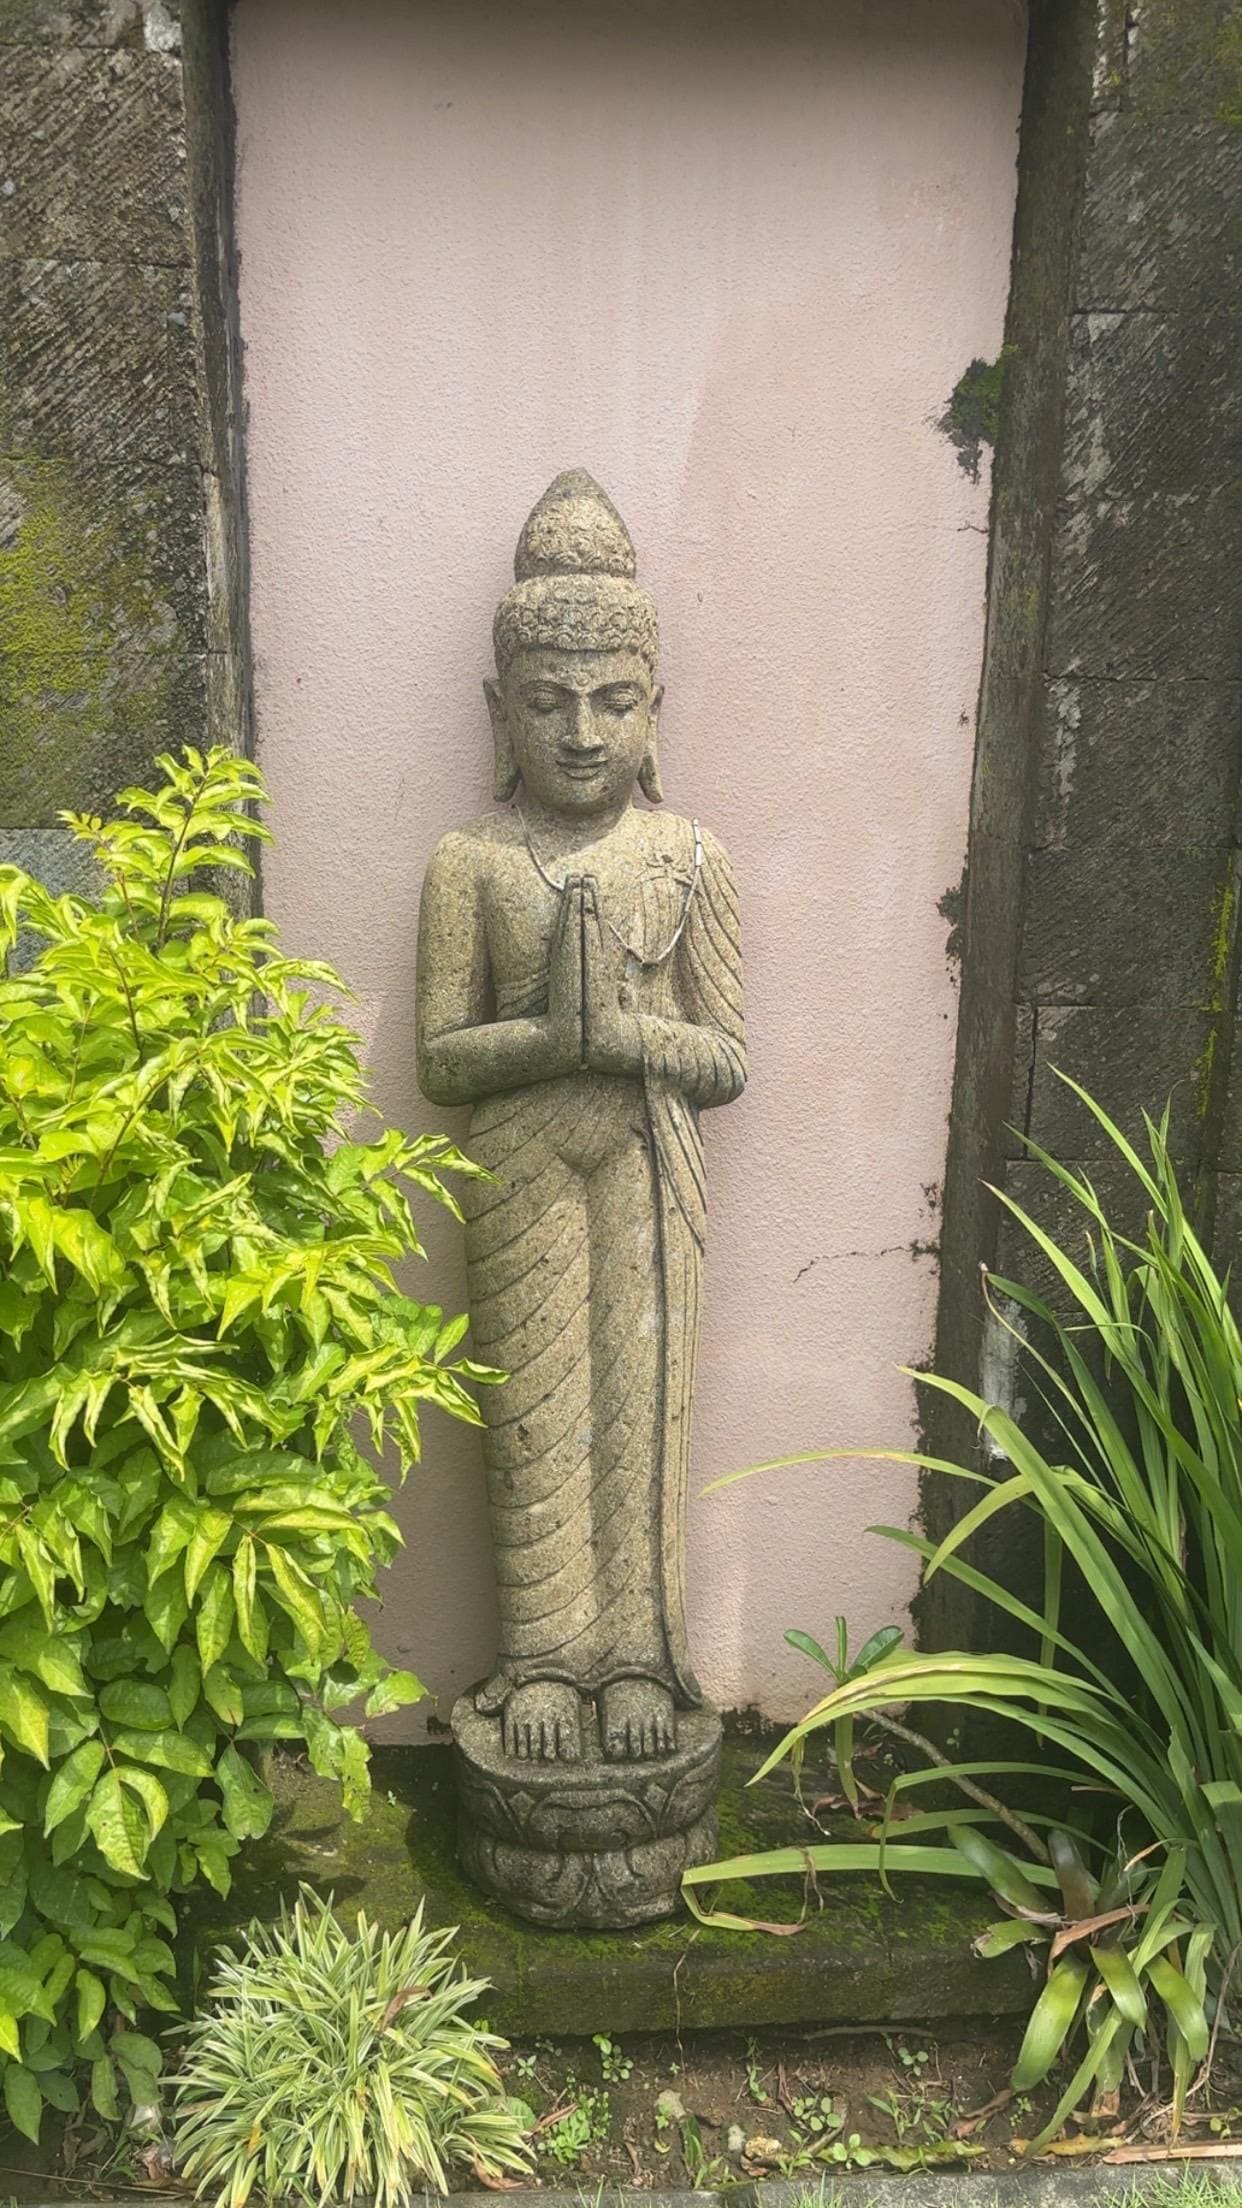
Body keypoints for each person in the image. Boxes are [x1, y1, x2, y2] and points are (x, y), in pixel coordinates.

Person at [416, 470, 746, 1770]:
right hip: (516, 1164)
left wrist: (622, 1038)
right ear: (499, 711)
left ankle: (635, 1661)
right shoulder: (471, 862)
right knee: (536, 1413)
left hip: (651, 1162)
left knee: (640, 1405)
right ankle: (546, 1656)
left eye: (613, 701)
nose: (580, 732)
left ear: (656, 709)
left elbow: (725, 1055)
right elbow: (442, 1059)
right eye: (548, 701)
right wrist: (553, 1042)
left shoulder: (690, 858)